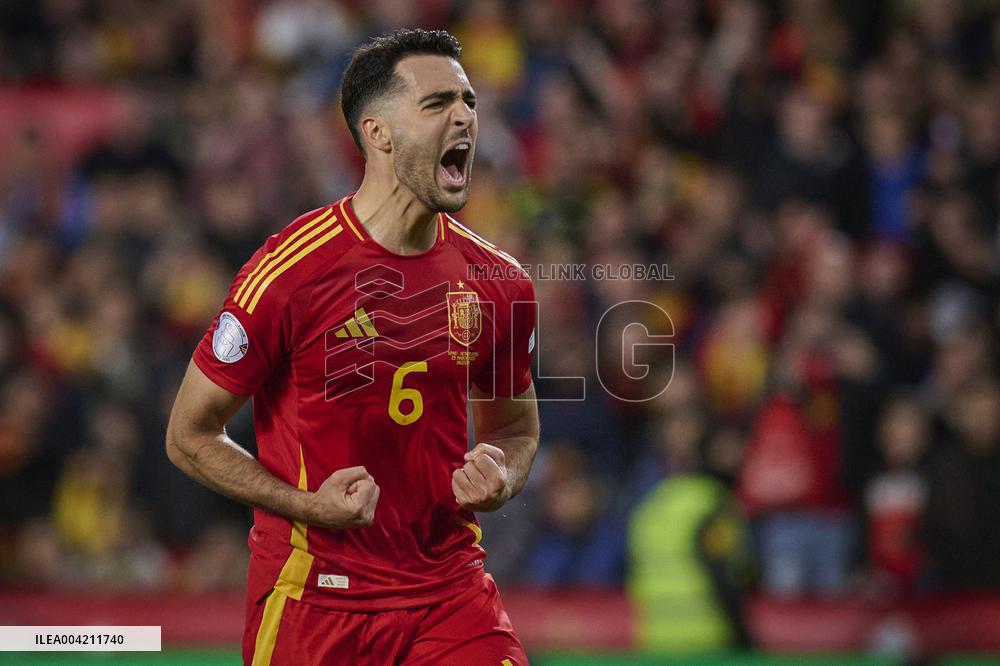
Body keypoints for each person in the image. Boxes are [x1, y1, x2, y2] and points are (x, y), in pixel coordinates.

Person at [166, 29, 538, 666]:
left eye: (470, 102)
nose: (466, 118)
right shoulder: (291, 274)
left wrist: (500, 473)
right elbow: (188, 436)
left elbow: (516, 431)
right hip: (316, 601)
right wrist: (306, 506)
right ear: (378, 132)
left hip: (450, 594)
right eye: (438, 103)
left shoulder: (501, 283)